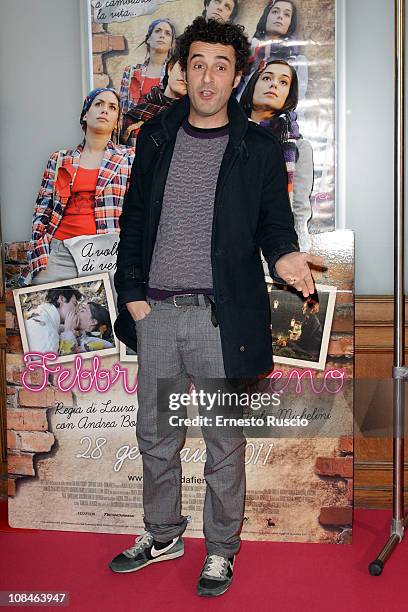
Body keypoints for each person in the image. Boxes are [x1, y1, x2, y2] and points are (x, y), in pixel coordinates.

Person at [111, 17, 321, 597]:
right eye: (198, 63)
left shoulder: (257, 147)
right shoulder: (155, 138)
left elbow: (275, 226)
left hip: (218, 319)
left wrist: (287, 259)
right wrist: (132, 296)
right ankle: (162, 534)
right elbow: (133, 223)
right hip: (156, 314)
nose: (208, 76)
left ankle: (221, 551)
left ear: (236, 77)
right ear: (183, 71)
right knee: (156, 436)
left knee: (223, 441)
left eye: (221, 66)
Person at [23, 88, 135, 287]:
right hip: (60, 252)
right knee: (50, 316)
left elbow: (138, 212)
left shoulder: (129, 158)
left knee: (101, 317)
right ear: (85, 114)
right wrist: (40, 262)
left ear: (117, 120)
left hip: (106, 255)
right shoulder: (59, 159)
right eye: (98, 104)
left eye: (112, 107)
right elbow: (41, 213)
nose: (105, 110)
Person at [240, 59, 313, 250]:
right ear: (253, 85)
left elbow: (299, 210)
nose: (274, 84)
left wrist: (295, 254)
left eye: (283, 82)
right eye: (266, 78)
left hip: (271, 251)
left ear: (288, 96)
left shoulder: (299, 147)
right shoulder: (226, 135)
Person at [237, 1, 308, 107]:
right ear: (266, 16)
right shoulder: (246, 50)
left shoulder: (298, 62)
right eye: (275, 12)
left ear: (290, 23)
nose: (280, 17)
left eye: (286, 14)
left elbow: (298, 104)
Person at [120, 51, 187, 148]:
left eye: (191, 73)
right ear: (170, 68)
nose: (185, 75)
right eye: (183, 68)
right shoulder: (136, 113)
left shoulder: (192, 119)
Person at [119, 18, 176, 116]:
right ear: (149, 39)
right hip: (132, 128)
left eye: (167, 33)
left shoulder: (175, 73)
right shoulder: (130, 72)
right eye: (157, 31)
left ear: (171, 44)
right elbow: (123, 110)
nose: (162, 35)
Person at [24, 287, 82, 355]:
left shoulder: (40, 314)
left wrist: (65, 328)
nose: (76, 310)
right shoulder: (48, 333)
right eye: (74, 304)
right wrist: (68, 331)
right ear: (62, 299)